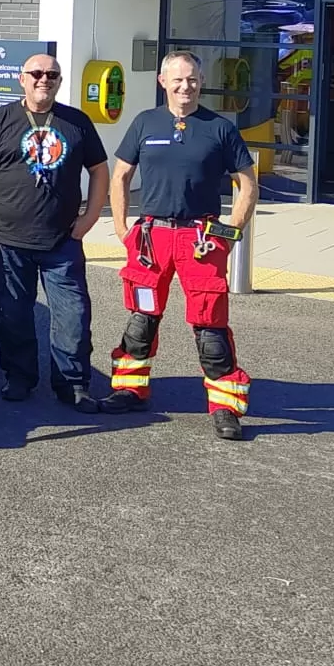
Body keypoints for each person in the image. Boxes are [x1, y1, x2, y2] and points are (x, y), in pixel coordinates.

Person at [102, 50, 258, 440]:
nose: (185, 86)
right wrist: (122, 228)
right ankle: (129, 389)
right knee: (142, 318)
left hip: (201, 240)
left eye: (191, 79)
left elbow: (248, 183)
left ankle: (225, 406)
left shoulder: (219, 128)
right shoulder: (144, 122)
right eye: (177, 79)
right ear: (163, 82)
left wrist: (231, 231)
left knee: (210, 325)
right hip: (152, 238)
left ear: (201, 82)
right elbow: (120, 176)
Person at [0, 52, 108, 412]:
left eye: (53, 75)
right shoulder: (0, 120)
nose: (45, 79)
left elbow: (101, 171)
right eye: (37, 73)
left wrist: (89, 218)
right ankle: (19, 376)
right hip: (9, 240)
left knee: (73, 315)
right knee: (13, 313)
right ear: (22, 78)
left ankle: (72, 382)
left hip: (62, 240)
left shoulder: (77, 122)